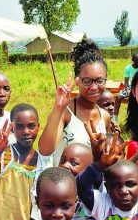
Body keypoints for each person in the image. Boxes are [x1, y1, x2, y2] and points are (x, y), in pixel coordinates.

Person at [39, 38, 110, 166]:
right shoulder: (66, 112)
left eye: (99, 80)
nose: (94, 87)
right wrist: (58, 108)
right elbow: (45, 150)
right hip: (62, 183)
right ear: (77, 80)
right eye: (87, 81)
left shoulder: (105, 116)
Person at [58, 143, 96, 220]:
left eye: (74, 163)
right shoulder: (54, 192)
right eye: (62, 160)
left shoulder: (91, 197)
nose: (65, 165)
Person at [113, 53, 138, 122]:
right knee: (118, 97)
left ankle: (135, 120)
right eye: (137, 60)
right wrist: (127, 90)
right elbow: (126, 81)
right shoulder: (128, 68)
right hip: (130, 87)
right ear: (133, 60)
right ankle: (115, 120)